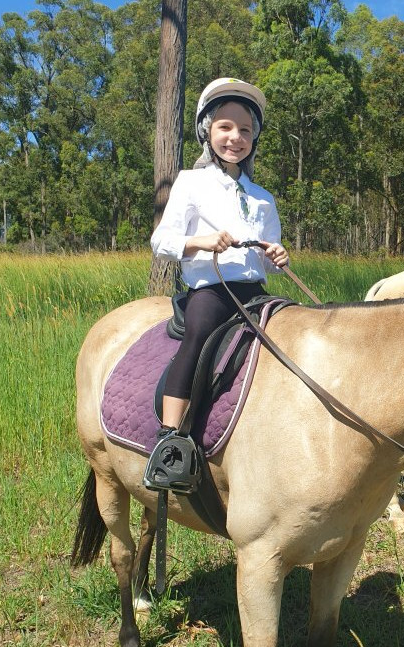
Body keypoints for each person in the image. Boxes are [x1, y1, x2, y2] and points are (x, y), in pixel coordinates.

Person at [144, 77, 289, 491]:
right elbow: (161, 242)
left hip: (255, 292)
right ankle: (170, 441)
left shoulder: (263, 198)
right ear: (207, 129)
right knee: (199, 334)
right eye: (226, 126)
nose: (236, 137)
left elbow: (270, 255)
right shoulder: (191, 182)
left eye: (245, 130)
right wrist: (200, 242)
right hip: (212, 291)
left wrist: (278, 257)